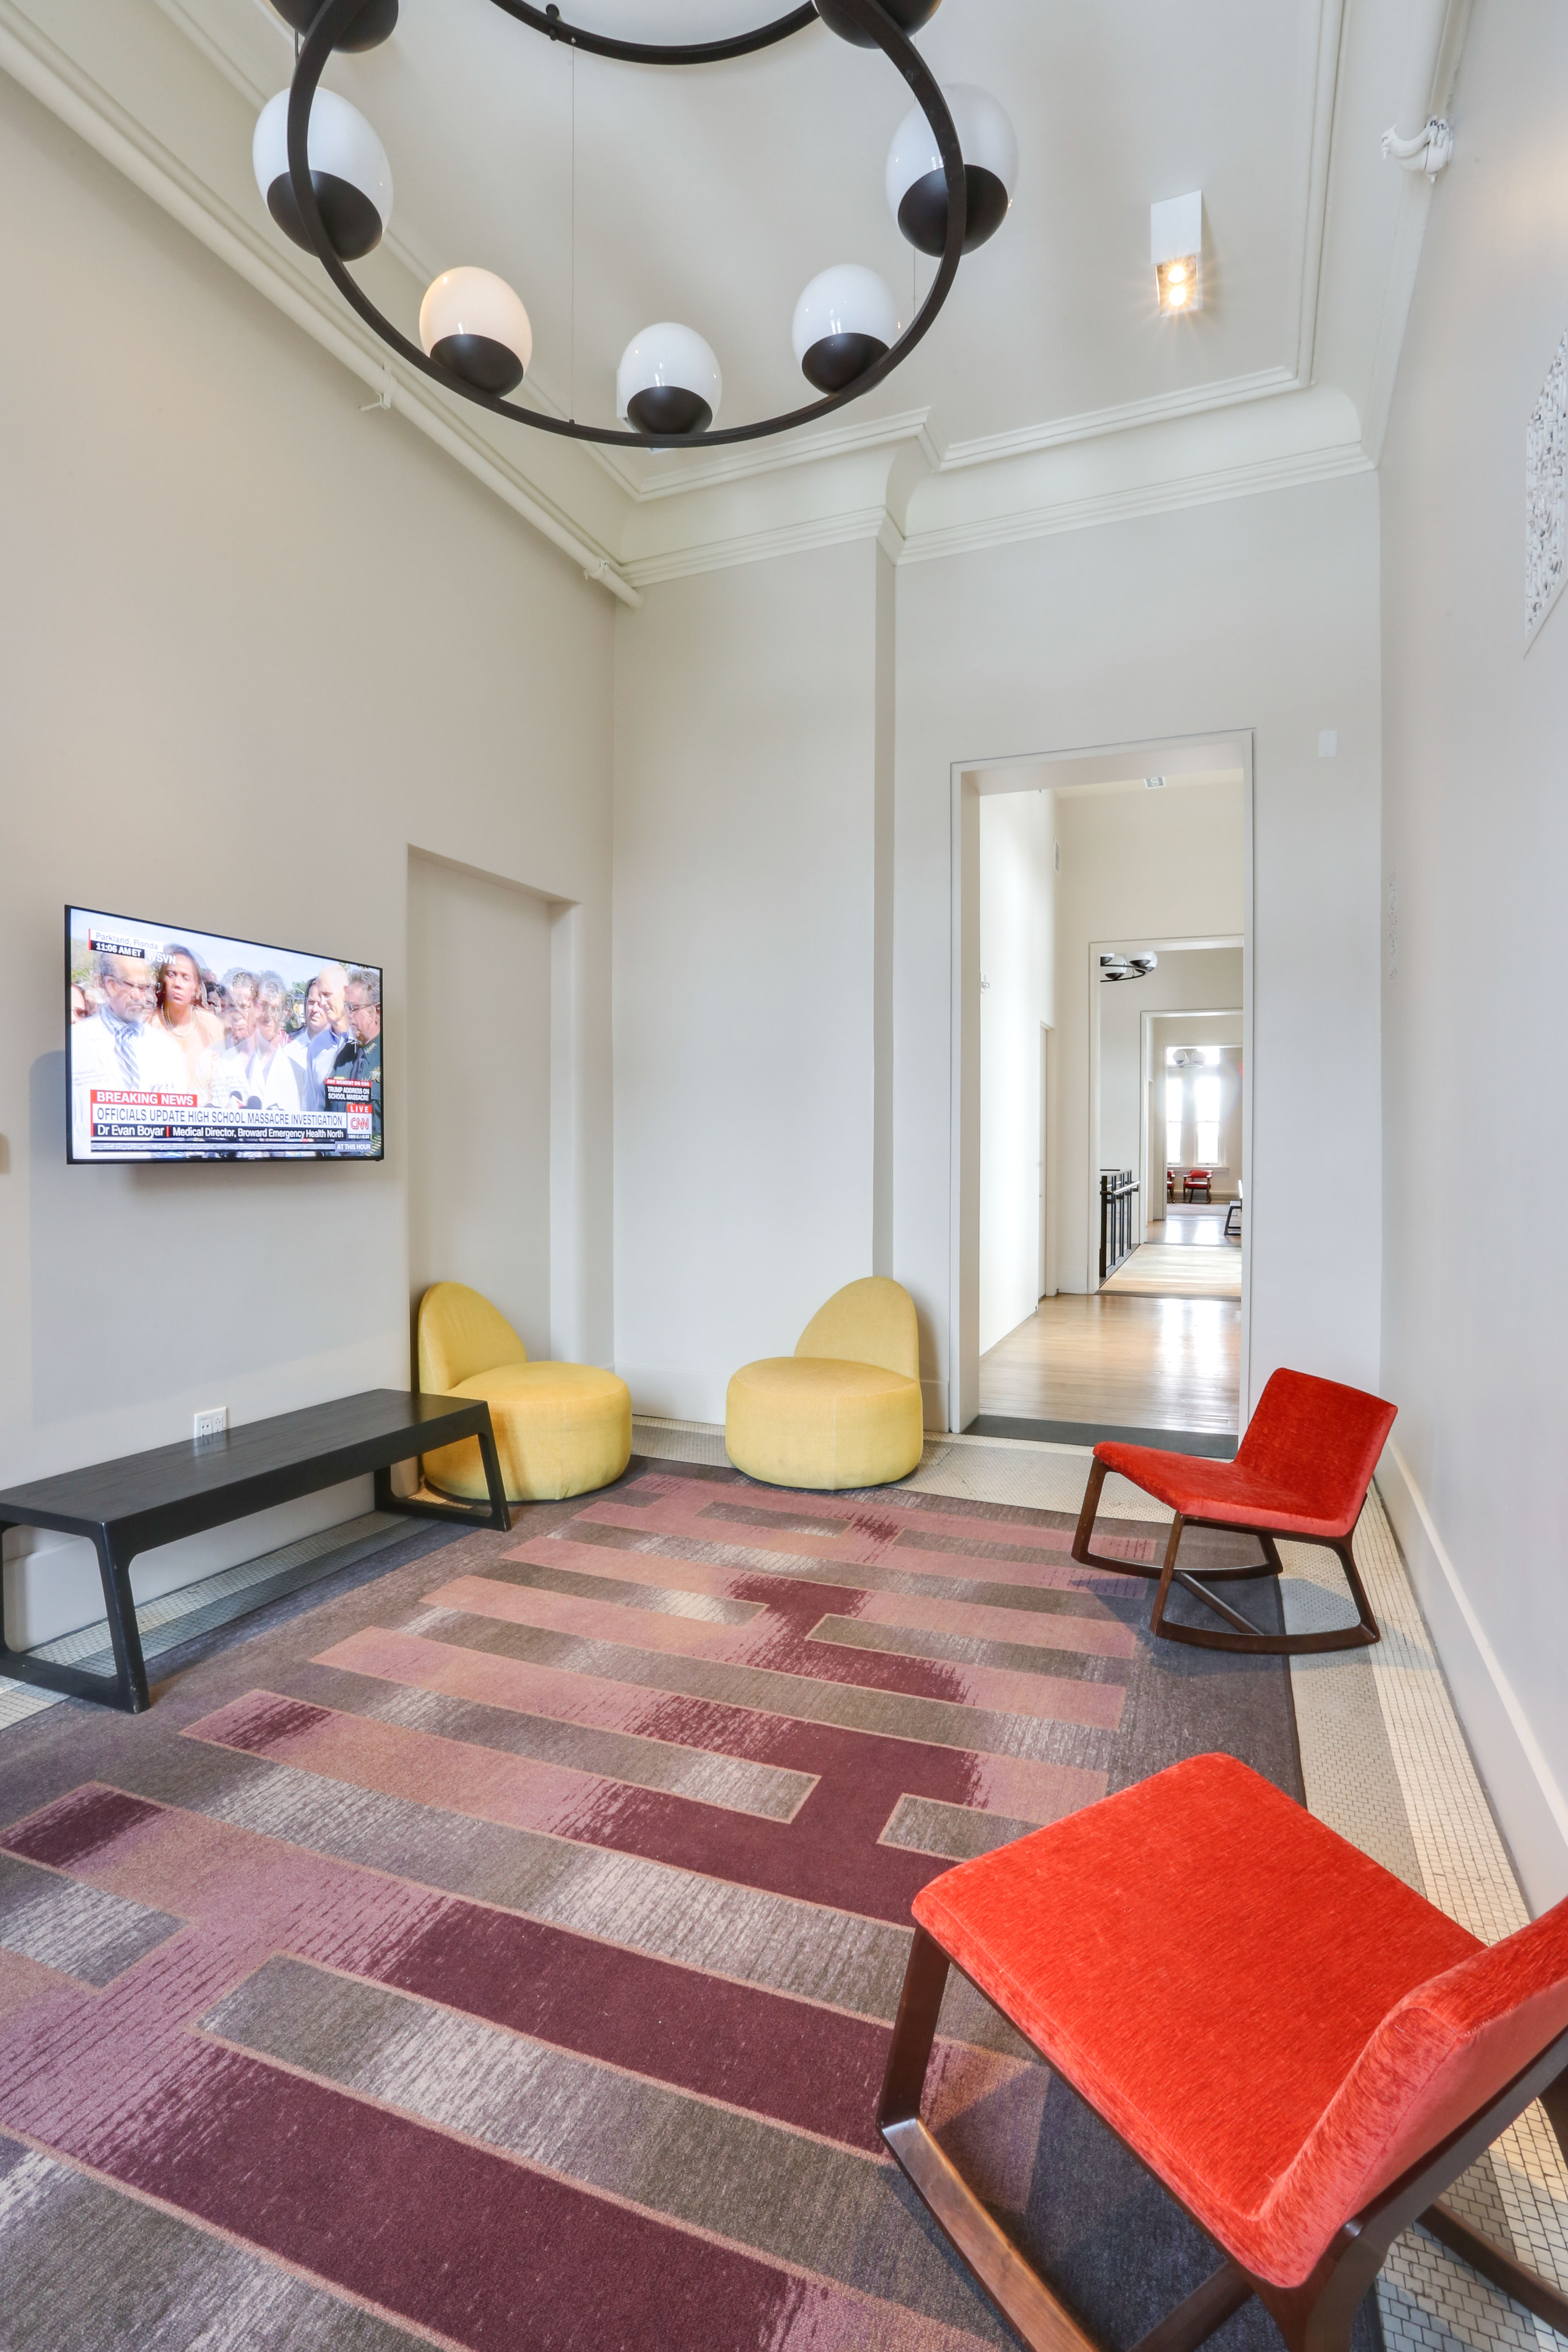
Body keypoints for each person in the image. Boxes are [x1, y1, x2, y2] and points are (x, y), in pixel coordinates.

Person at [69, 948, 188, 1150]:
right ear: (110, 985)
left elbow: (178, 1129)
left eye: (148, 987)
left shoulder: (168, 1050)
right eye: (137, 987)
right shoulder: (76, 1041)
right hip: (90, 1166)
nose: (144, 997)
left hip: (154, 1167)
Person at [154, 942, 223, 1100]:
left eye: (186, 977)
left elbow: (221, 1087)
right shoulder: (149, 1025)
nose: (177, 984)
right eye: (172, 974)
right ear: (163, 979)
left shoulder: (212, 1026)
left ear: (196, 987)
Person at [330, 966, 382, 1149]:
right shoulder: (344, 1056)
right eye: (347, 1007)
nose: (348, 1015)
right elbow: (326, 1112)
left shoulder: (388, 1059)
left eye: (354, 1008)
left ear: (377, 1011)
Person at [245, 973, 304, 1115]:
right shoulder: (232, 1062)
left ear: (284, 1013)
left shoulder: (298, 1073)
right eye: (264, 1006)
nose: (268, 1015)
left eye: (275, 1009)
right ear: (253, 1006)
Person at [300, 962, 352, 1112]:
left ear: (346, 993)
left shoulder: (364, 1043)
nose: (323, 1003)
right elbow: (310, 1107)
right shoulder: (316, 1047)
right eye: (320, 996)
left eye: (327, 995)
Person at [210, 969, 259, 1104]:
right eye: (233, 1006)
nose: (237, 1016)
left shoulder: (274, 1058)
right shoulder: (225, 1060)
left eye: (244, 1006)